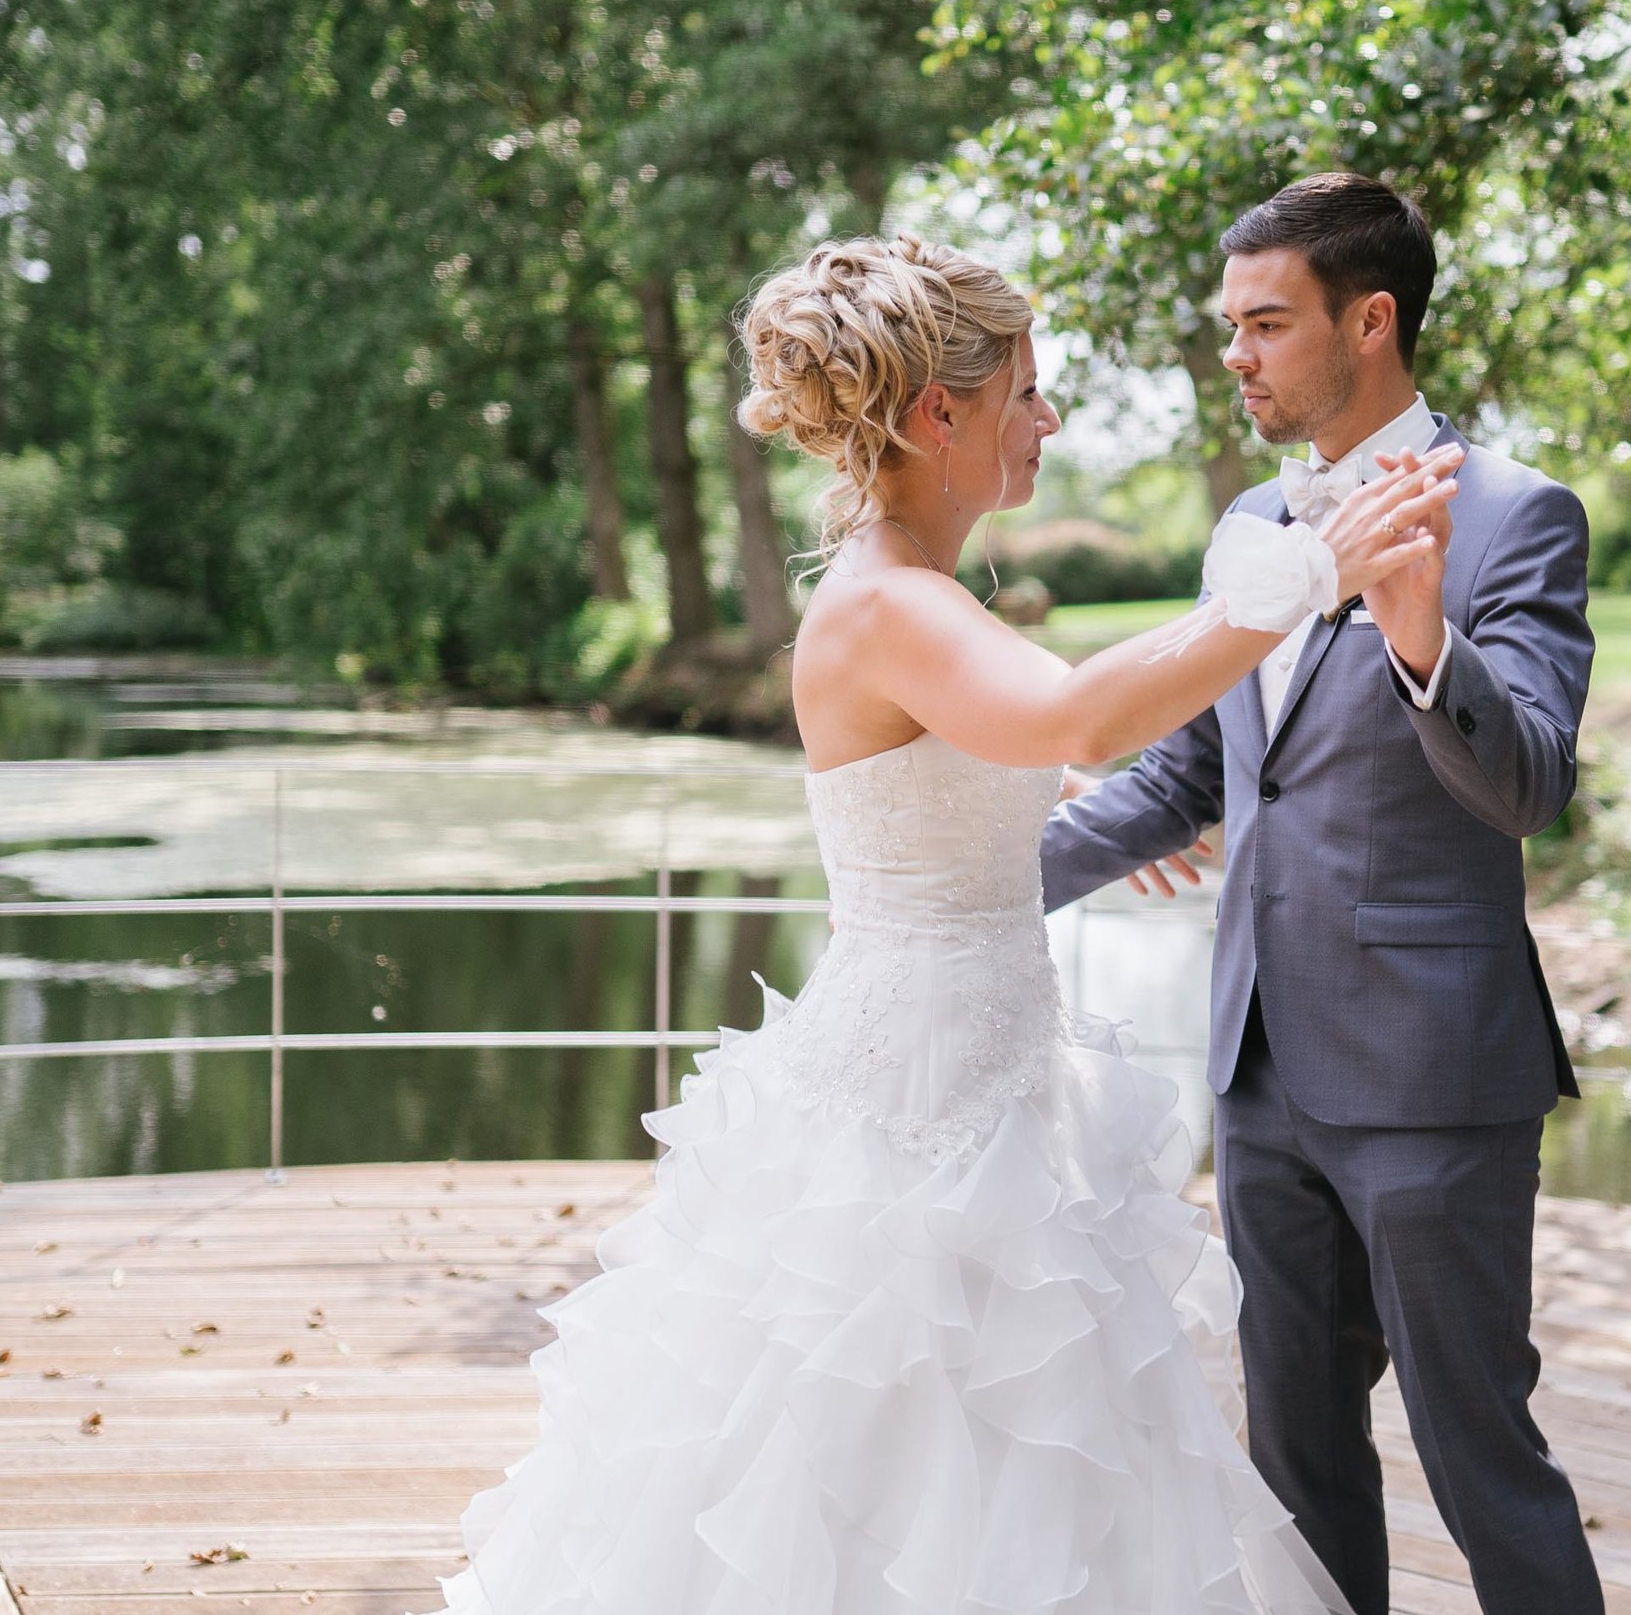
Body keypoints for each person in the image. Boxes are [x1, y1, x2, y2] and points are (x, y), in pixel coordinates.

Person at [419, 232, 1457, 1615]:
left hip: (996, 1085)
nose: (1049, 417)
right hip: (907, 1109)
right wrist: (1304, 575)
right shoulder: (889, 601)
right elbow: (1076, 705)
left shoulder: (919, 598)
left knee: (1026, 1447)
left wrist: (1039, 783)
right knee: (891, 1449)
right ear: (936, 413)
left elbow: (1002, 734)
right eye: (1025, 391)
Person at [1041, 173, 1605, 1615]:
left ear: (1371, 321)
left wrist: (1426, 648)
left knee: (1481, 1451)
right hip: (1259, 1074)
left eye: (1266, 323)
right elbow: (1186, 782)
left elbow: (1529, 785)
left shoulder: (1519, 520)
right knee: (1291, 1462)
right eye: (1230, 325)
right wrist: (973, 874)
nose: (1235, 355)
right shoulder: (1249, 520)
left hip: (1431, 1072)